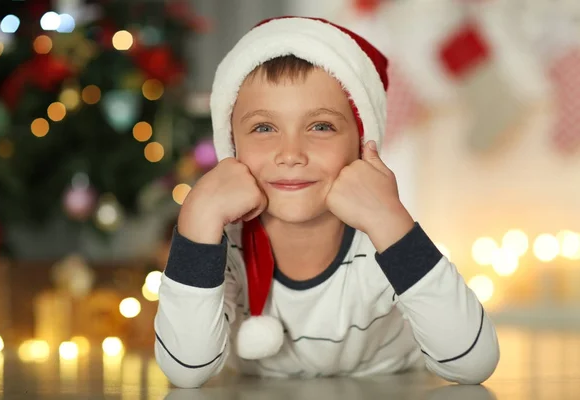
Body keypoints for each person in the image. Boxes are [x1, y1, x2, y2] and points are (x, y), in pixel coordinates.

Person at [154, 16, 500, 388]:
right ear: (231, 145)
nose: (290, 154)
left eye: (320, 126)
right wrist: (196, 220)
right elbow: (186, 371)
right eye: (264, 128)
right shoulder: (223, 247)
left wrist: (391, 223)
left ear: (362, 145)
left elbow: (473, 363)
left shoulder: (383, 236)